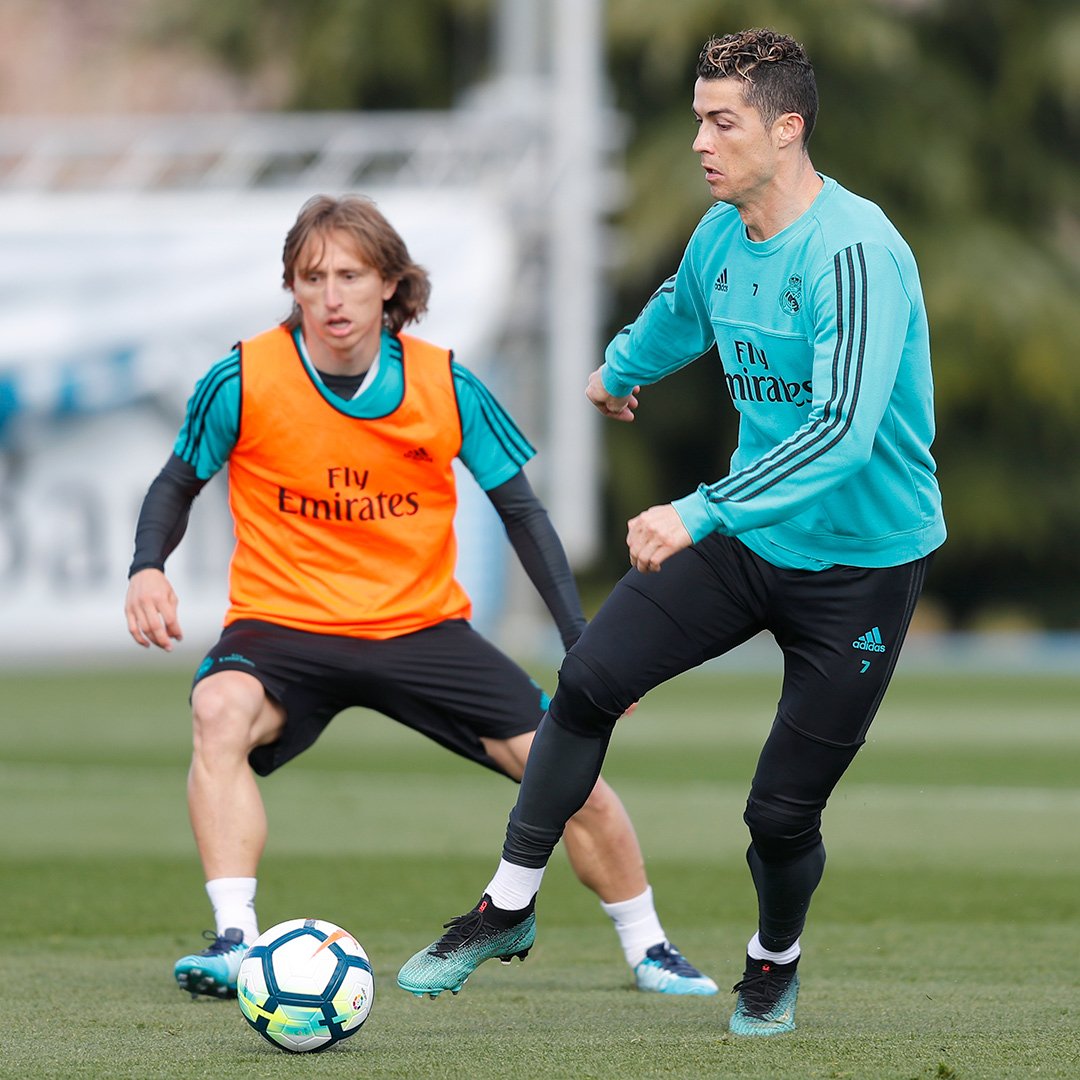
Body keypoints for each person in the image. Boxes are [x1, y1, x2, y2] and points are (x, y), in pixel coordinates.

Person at [398, 28, 946, 1037]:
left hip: (859, 569)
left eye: (721, 122)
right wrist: (620, 370)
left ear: (786, 129)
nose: (699, 142)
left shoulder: (856, 253)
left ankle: (773, 962)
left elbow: (842, 433)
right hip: (749, 541)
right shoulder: (721, 233)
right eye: (698, 120)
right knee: (589, 682)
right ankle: (506, 908)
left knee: (779, 816)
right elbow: (683, 311)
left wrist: (699, 510)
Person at [124, 194, 717, 1002]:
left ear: (390, 284)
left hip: (420, 627)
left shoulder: (445, 383)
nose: (332, 297)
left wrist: (581, 638)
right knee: (218, 710)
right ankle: (235, 939)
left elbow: (523, 514)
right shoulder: (243, 377)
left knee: (568, 767)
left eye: (350, 276)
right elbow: (176, 482)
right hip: (281, 623)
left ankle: (650, 948)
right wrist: (147, 566)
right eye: (312, 278)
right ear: (292, 288)